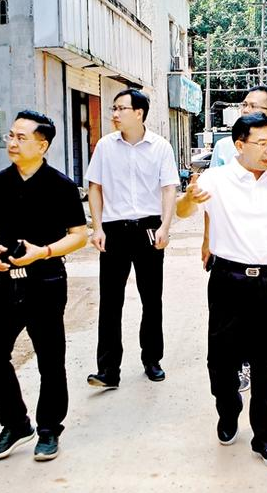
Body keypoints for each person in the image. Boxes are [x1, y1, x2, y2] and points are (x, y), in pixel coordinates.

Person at [176, 113, 267, 468]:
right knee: (221, 360)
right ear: (239, 145)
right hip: (228, 280)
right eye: (261, 143)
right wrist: (188, 198)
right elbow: (184, 212)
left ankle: (266, 438)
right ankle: (228, 408)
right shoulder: (216, 179)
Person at [0, 110, 89, 462]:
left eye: (21, 137)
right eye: (11, 135)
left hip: (47, 281)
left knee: (50, 359)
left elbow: (79, 235)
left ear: (42, 146)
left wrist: (44, 252)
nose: (12, 143)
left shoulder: (61, 186)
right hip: (6, 280)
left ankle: (49, 429)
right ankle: (15, 424)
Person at [208, 85, 267, 413]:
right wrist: (208, 241)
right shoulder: (224, 151)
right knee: (226, 344)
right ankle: (235, 385)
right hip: (232, 263)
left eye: (259, 107)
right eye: (246, 104)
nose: (249, 110)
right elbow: (205, 202)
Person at [85, 88, 179, 389]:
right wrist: (97, 228)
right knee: (110, 301)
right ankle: (108, 370)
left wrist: (165, 226)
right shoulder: (105, 146)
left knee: (151, 298)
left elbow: (168, 189)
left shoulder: (160, 147)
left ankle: (152, 359)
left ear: (139, 113)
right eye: (113, 108)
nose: (114, 114)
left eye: (120, 108)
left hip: (149, 228)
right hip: (114, 229)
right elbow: (95, 188)